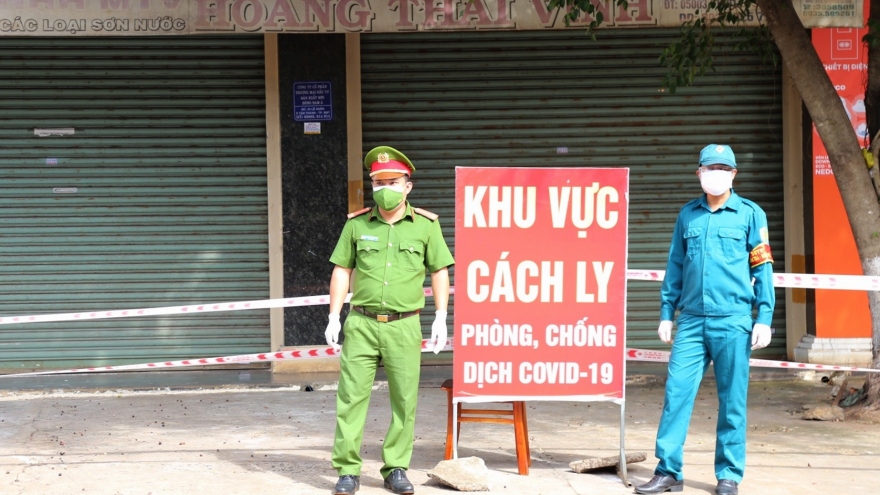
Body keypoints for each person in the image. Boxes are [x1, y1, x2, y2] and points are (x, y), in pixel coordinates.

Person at [635, 144, 775, 495]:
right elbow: (675, 265)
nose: (716, 174)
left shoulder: (751, 214)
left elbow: (763, 267)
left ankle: (729, 475)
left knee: (732, 401)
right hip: (692, 322)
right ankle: (668, 471)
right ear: (699, 173)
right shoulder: (688, 215)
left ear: (734, 174)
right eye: (710, 168)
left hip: (734, 320)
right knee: (676, 393)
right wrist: (666, 312)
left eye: (723, 168)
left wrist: (764, 316)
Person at [325, 146, 455, 495]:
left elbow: (439, 271)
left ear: (407, 186)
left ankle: (396, 467)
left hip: (404, 324)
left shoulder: (426, 225)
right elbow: (342, 270)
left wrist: (441, 316)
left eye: (393, 182)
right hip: (362, 323)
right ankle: (347, 470)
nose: (385, 189)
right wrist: (334, 315)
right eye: (379, 183)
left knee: (404, 400)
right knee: (350, 399)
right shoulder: (356, 224)